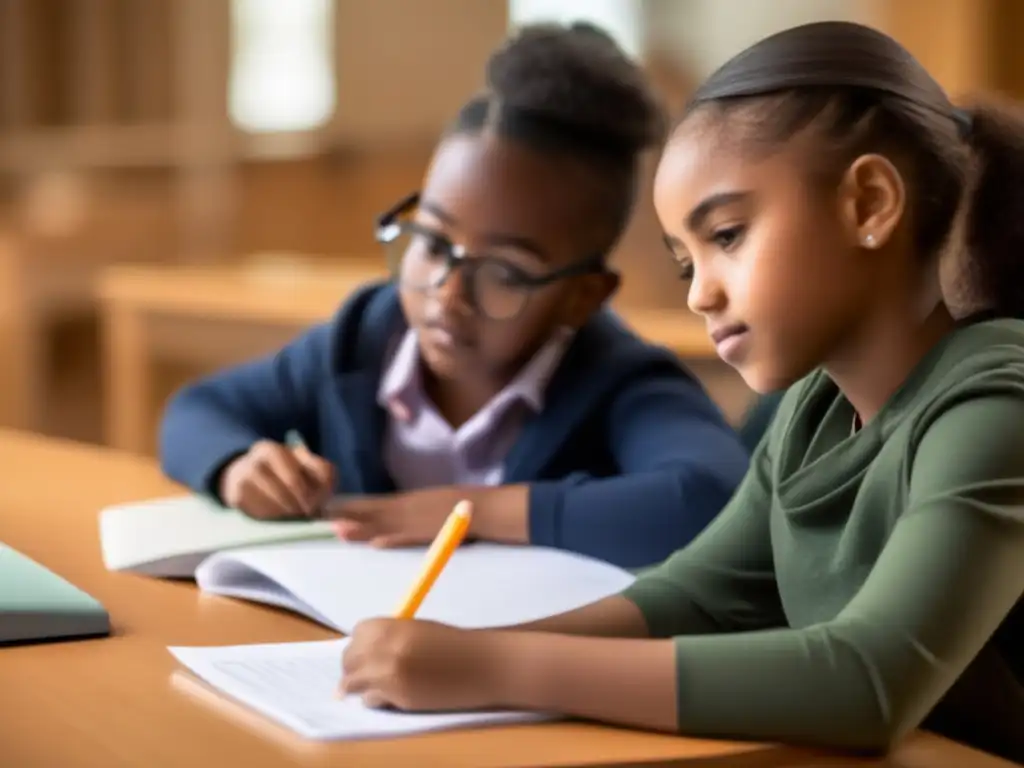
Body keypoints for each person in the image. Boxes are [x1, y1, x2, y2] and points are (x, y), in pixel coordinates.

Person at [339, 21, 1024, 762]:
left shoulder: (996, 404)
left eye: (726, 235)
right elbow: (696, 597)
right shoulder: (810, 412)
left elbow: (866, 682)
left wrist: (496, 669)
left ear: (867, 203)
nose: (699, 295)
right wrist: (455, 649)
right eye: (683, 263)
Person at [158, 22, 749, 570]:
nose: (448, 292)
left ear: (582, 295)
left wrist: (468, 513)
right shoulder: (360, 343)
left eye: (504, 273)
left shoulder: (615, 379)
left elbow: (710, 494)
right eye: (434, 243)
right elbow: (196, 411)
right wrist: (237, 466)